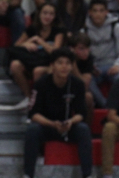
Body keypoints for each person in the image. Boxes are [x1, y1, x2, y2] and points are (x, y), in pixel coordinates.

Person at [24, 48, 93, 178]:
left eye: (67, 63)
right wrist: (52, 124)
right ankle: (28, 174)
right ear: (52, 65)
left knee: (83, 129)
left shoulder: (77, 84)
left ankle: (87, 174)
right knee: (32, 130)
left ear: (72, 66)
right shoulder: (41, 83)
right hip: (48, 126)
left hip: (68, 126)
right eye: (60, 63)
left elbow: (81, 113)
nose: (64, 66)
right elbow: (33, 114)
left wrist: (71, 122)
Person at [8, 2, 65, 109]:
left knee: (38, 71)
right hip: (32, 61)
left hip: (49, 64)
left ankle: (39, 102)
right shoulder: (32, 28)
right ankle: (29, 98)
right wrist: (28, 42)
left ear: (55, 16)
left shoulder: (58, 30)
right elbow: (16, 46)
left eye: (51, 14)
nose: (47, 16)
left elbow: (55, 52)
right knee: (15, 65)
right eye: (45, 13)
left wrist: (39, 40)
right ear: (39, 14)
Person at [84, 0, 119, 108]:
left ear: (106, 12)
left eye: (101, 11)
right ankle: (105, 105)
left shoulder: (116, 27)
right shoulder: (84, 30)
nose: (98, 14)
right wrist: (90, 67)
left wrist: (118, 65)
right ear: (89, 12)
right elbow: (80, 54)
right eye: (95, 11)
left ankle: (118, 106)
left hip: (112, 65)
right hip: (94, 68)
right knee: (85, 80)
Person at [69, 33, 96, 126]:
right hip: (59, 90)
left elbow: (84, 85)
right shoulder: (63, 57)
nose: (86, 52)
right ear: (72, 48)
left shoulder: (88, 59)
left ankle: (86, 130)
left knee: (88, 97)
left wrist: (73, 65)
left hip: (75, 91)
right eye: (81, 48)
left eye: (87, 48)